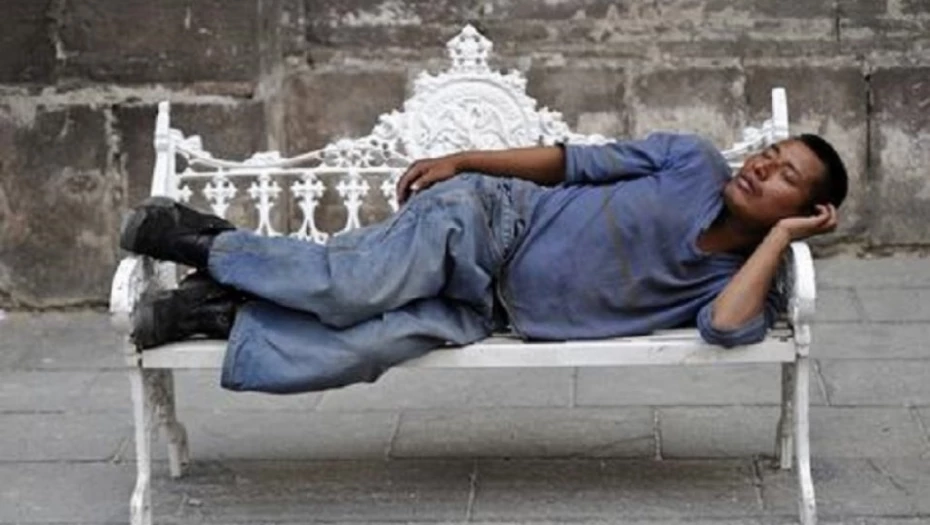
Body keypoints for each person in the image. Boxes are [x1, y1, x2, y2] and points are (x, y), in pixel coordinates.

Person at [119, 132, 847, 394]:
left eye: (785, 175)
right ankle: (196, 238)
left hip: (489, 311)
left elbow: (724, 328)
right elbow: (568, 162)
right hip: (490, 223)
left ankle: (214, 312)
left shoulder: (740, 281)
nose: (761, 166)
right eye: (768, 154)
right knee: (354, 285)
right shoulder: (690, 161)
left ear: (807, 210)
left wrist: (780, 239)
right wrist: (465, 161)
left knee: (359, 347)